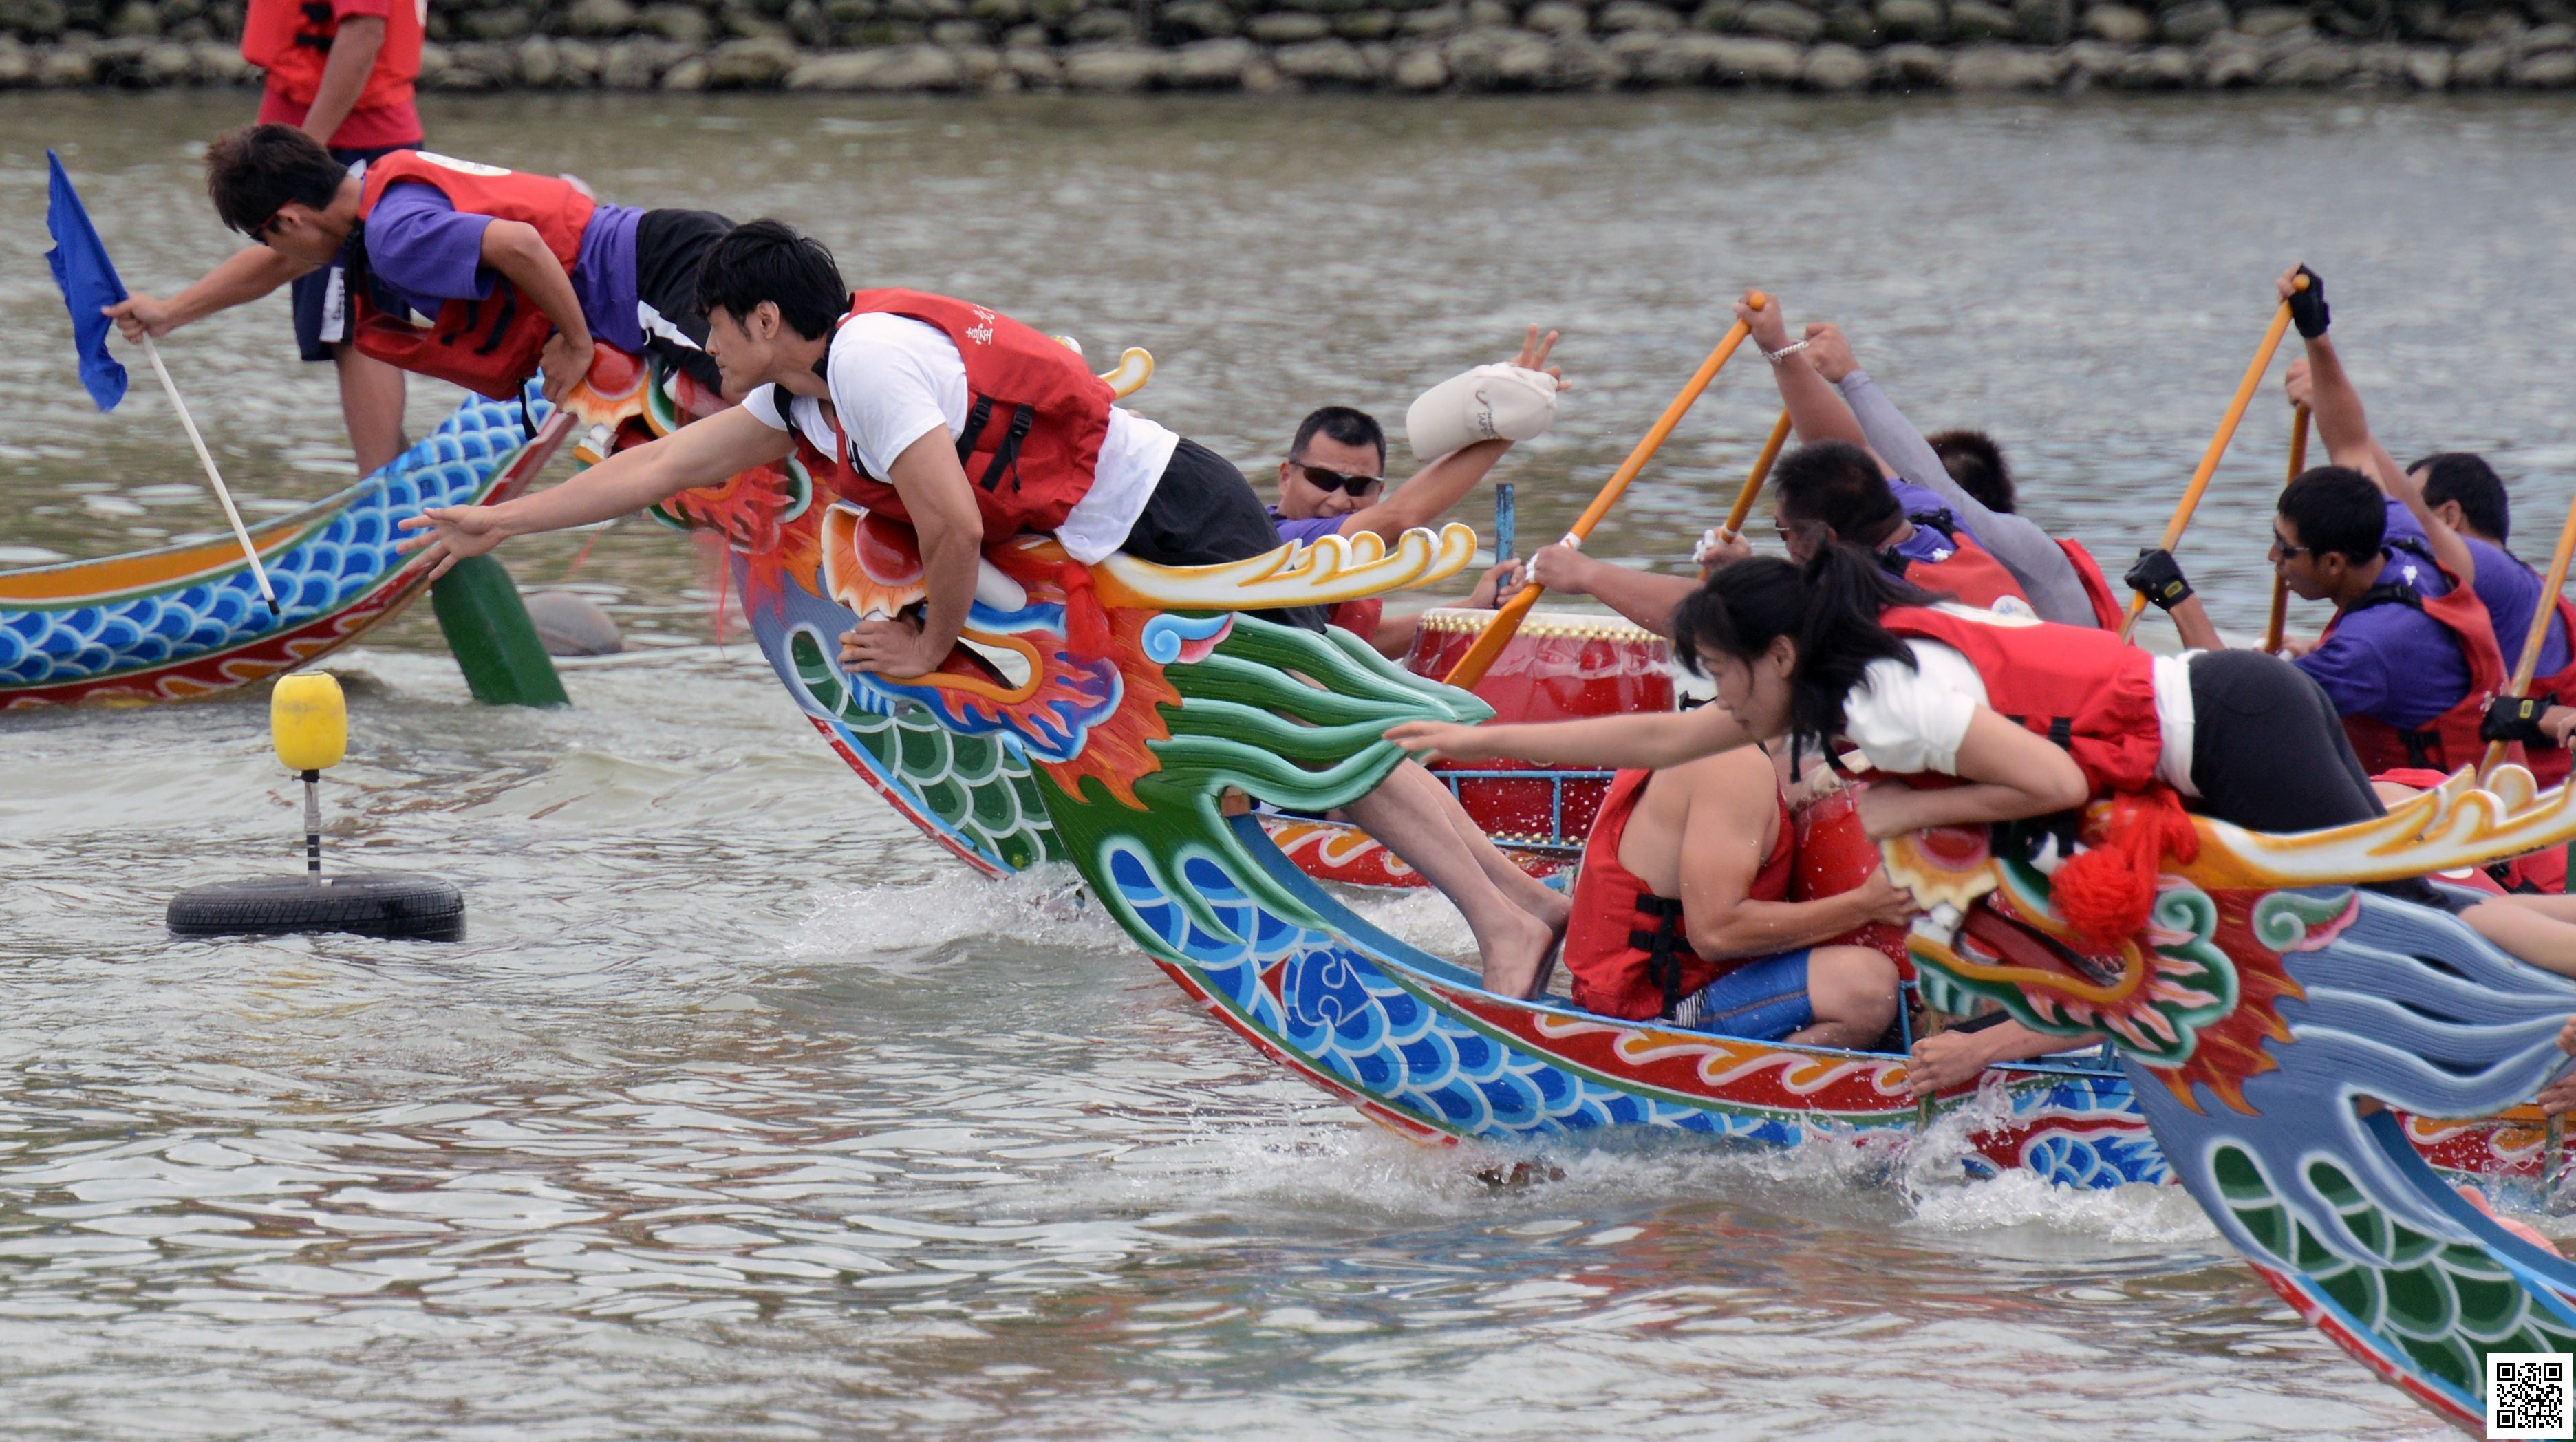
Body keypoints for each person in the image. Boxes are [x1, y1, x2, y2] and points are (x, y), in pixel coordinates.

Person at [396, 218, 1569, 993]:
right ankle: (1517, 899)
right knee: (1304, 727)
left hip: (1172, 515)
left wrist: (929, 642)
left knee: (1302, 726)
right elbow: (663, 465)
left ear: (763, 323)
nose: (699, 348)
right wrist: (502, 521)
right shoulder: (806, 398)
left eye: (709, 326)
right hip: (1126, 540)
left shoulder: (865, 364)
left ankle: (1502, 915)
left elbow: (952, 524)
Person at [2129, 269, 2513, 781]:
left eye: (2285, 550)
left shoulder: (2368, 649)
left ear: (2333, 563)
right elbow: (2351, 443)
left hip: (2449, 832)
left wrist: (2178, 597)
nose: (2273, 561)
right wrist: (2317, 333)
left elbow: (2234, 704)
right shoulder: (2397, 536)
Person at [114, 125, 737, 416]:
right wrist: (170, 313)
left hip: (654, 274)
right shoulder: (379, 190)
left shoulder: (394, 236)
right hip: (662, 246)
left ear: (292, 218)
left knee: (750, 395)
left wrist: (575, 345)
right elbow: (273, 266)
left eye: (265, 233)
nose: (281, 254)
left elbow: (518, 244)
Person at [104, 0, 424, 475]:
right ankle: (396, 490)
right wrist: (169, 313)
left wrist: (301, 156)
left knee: (355, 326)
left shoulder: (326, 176)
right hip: (308, 137)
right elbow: (278, 260)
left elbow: (364, 32)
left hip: (346, 139)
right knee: (339, 321)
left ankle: (382, 500)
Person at [1558, 740, 1909, 1048]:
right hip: (1652, 1015)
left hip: (1628, 989)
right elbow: (1715, 933)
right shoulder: (1732, 766)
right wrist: (1865, 906)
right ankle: (1770, 1098)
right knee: (1865, 985)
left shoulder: (1702, 737)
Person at [1269, 326, 1563, 656]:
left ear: (1378, 492)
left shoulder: (1353, 553)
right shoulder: (1277, 539)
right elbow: (1404, 514)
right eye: (1322, 479)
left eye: (1358, 486)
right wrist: (1513, 420)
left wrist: (1473, 609)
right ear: (1285, 478)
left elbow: (1367, 642)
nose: (1338, 500)